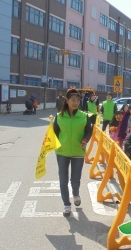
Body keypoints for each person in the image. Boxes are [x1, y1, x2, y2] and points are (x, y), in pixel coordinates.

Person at [53, 89, 92, 217]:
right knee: (63, 180)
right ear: (67, 101)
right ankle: (66, 205)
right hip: (62, 152)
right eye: (73, 100)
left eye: (77, 100)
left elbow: (88, 131)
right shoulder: (59, 116)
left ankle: (75, 193)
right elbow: (54, 133)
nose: (75, 102)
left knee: (75, 180)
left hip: (78, 152)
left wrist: (85, 140)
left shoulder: (84, 116)